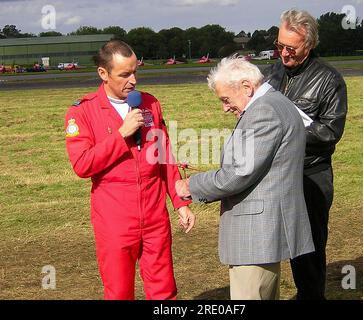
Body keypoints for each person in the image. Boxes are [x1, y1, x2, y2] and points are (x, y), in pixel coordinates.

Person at [175, 56, 314, 300]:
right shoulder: (277, 102)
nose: (224, 108)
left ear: (247, 87)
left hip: (255, 236)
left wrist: (191, 186)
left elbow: (238, 174)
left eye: (225, 99)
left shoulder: (264, 111)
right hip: (263, 233)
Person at [65, 40, 195, 300]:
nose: (133, 80)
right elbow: (82, 165)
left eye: (135, 71)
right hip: (114, 219)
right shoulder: (83, 112)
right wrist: (121, 135)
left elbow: (165, 156)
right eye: (125, 74)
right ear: (103, 73)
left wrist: (180, 202)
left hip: (155, 214)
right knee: (119, 292)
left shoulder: (150, 104)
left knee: (164, 290)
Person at [263, 9, 348, 300]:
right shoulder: (272, 73)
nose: (283, 54)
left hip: (311, 174)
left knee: (308, 246)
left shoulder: (329, 80)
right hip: (275, 173)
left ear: (309, 45)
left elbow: (330, 132)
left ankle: (311, 295)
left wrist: (287, 133)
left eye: (291, 48)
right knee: (278, 240)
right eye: (279, 45)